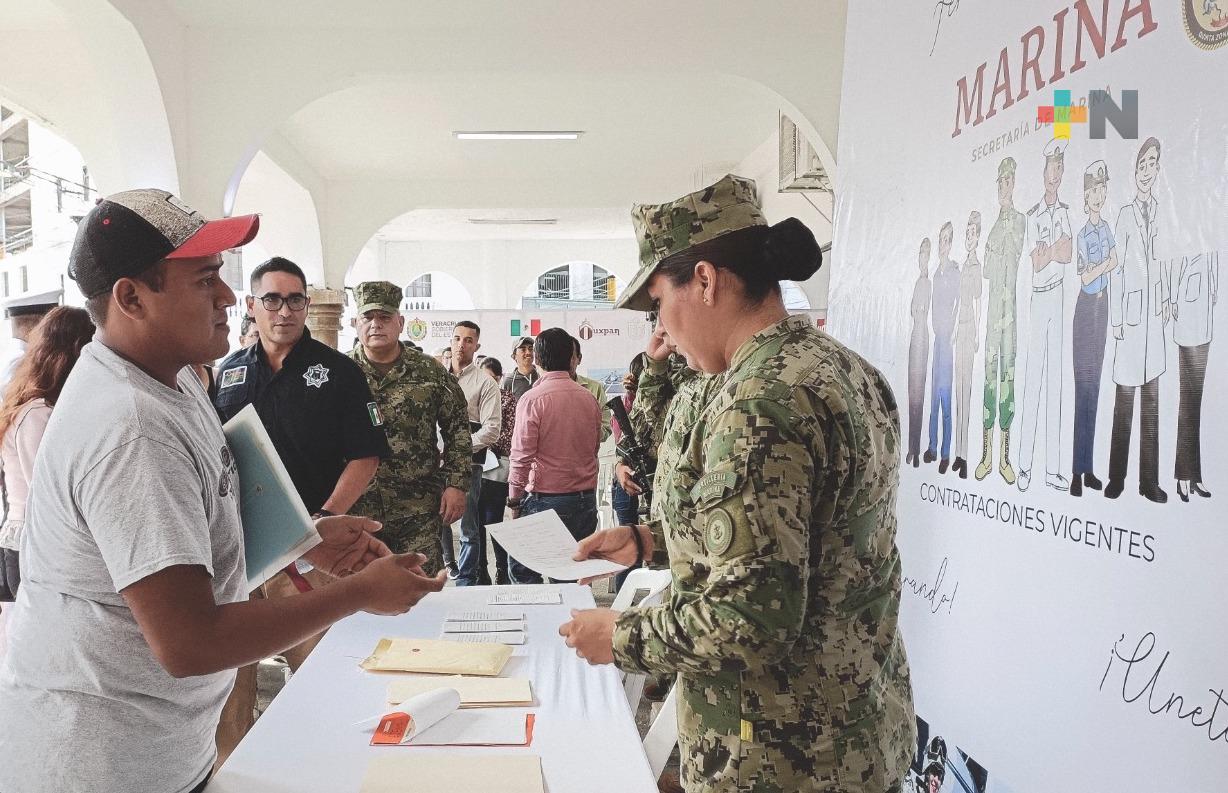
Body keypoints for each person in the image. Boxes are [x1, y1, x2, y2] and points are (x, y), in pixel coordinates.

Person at [0, 188, 443, 793]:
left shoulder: (174, 381)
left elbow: (202, 519)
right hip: (99, 761)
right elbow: (190, 641)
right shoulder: (129, 425)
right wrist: (358, 594)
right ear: (131, 297)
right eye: (205, 280)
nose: (229, 298)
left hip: (152, 745)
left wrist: (301, 540)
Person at [559, 174, 915, 793]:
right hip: (857, 727)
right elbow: (802, 539)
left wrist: (621, 636)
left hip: (779, 754)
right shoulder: (846, 370)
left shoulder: (756, 402)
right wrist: (650, 542)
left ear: (704, 279)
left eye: (657, 304)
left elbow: (751, 615)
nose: (662, 331)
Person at [212, 256, 391, 756]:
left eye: (294, 300)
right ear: (252, 306)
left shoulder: (339, 373)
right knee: (230, 693)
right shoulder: (227, 374)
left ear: (308, 306)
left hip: (312, 553)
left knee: (324, 680)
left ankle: (331, 768)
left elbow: (366, 455)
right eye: (272, 299)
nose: (283, 311)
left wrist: (324, 520)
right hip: (241, 559)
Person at [348, 281, 471, 569]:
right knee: (362, 597)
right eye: (368, 318)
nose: (376, 325)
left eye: (385, 318)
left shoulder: (429, 371)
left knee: (422, 589)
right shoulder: (342, 373)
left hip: (418, 507)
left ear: (400, 323)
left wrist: (456, 484)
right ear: (356, 323)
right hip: (358, 507)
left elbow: (458, 429)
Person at [0, 307, 95, 603]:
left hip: (39, 545)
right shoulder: (37, 414)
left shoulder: (42, 407)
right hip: (35, 547)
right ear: (75, 353)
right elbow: (48, 492)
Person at [506, 328, 602, 584]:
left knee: (523, 570)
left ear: (536, 359)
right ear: (572, 358)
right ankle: (571, 623)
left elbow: (521, 458)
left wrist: (515, 501)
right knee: (572, 577)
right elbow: (593, 450)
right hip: (585, 503)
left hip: (545, 502)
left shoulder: (532, 399)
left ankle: (543, 622)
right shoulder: (588, 399)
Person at [1107, 137, 1168, 503]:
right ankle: (1117, 478)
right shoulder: (1126, 215)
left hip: (1153, 323)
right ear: (1134, 171)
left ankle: (1149, 482)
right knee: (1124, 403)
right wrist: (1116, 318)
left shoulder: (1161, 211)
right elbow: (1116, 271)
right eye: (1142, 164)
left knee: (1152, 404)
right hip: (1130, 319)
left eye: (1153, 164)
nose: (1148, 171)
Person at [1018, 138, 1073, 493]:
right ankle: (1025, 467)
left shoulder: (1065, 212)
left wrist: (1051, 251)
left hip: (1059, 298)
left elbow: (1067, 255)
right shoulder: (1032, 216)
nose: (1054, 173)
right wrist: (1053, 251)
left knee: (1055, 383)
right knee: (1033, 382)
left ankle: (1052, 470)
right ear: (1043, 173)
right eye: (1050, 167)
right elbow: (1037, 262)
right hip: (1039, 299)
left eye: (1059, 166)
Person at [974, 157, 1025, 484]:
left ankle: (1005, 457)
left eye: (1008, 181)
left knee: (1007, 387)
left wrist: (997, 240)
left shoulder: (1017, 220)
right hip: (993, 321)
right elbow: (989, 271)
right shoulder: (993, 226)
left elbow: (1013, 256)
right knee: (989, 386)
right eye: (1000, 182)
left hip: (1010, 322)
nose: (1004, 188)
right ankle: (986, 455)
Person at [1069, 160, 1116, 497]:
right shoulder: (1084, 234)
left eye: (1101, 189)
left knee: (1095, 391)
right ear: (1085, 198)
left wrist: (1100, 267)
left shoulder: (1106, 230)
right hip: (1085, 310)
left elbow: (1115, 261)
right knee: (1082, 392)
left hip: (1103, 307)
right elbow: (1086, 276)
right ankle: (1076, 471)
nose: (1097, 195)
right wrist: (1103, 266)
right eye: (1091, 191)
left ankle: (1088, 471)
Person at [448, 320, 501, 585]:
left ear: (476, 346)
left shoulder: (485, 383)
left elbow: (491, 430)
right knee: (430, 526)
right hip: (430, 463)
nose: (461, 345)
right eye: (457, 338)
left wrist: (456, 449)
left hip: (469, 464)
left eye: (468, 340)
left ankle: (466, 581)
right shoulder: (435, 376)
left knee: (468, 528)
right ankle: (430, 578)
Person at [1171, 250, 1217, 501]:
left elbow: (1215, 257)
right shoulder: (1183, 219)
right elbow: (1174, 262)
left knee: (1195, 402)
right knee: (1188, 402)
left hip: (1205, 318)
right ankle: (1183, 476)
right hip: (1189, 315)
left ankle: (1193, 474)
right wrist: (1173, 299)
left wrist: (1215, 289)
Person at [479, 356, 518, 584]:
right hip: (475, 467)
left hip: (497, 468)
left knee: (493, 520)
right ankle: (480, 568)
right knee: (474, 523)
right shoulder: (473, 398)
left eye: (493, 378)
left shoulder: (508, 400)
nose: (489, 383)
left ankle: (502, 568)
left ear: (500, 378)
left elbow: (507, 435)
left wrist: (484, 439)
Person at [925, 222, 959, 473]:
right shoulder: (936, 274)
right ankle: (932, 447)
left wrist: (953, 332)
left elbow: (958, 304)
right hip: (937, 339)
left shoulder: (955, 271)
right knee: (934, 397)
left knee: (945, 398)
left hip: (948, 341)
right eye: (941, 240)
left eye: (947, 240)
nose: (943, 245)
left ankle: (945, 453)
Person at [952, 212, 982, 479]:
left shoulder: (976, 267)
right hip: (958, 329)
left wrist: (977, 335)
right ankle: (958, 452)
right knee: (958, 391)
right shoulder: (962, 266)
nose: (969, 237)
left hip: (970, 327)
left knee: (967, 393)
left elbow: (977, 301)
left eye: (973, 233)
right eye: (967, 233)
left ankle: (964, 454)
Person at [0, 290, 61, 393]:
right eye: (50, 324)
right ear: (33, 325)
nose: (54, 329)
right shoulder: (18, 360)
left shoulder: (27, 355)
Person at [906, 239, 931, 468]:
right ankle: (911, 447)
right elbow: (913, 310)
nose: (922, 258)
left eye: (925, 254)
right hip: (915, 336)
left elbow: (923, 310)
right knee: (911, 395)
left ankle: (916, 448)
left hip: (923, 336)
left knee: (919, 395)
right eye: (921, 254)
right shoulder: (916, 282)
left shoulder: (928, 283)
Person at [570, 335, 613, 443]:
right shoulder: (544, 391)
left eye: (570, 356)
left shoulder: (595, 388)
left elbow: (606, 430)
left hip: (585, 457)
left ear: (579, 359)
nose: (565, 361)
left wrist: (586, 425)